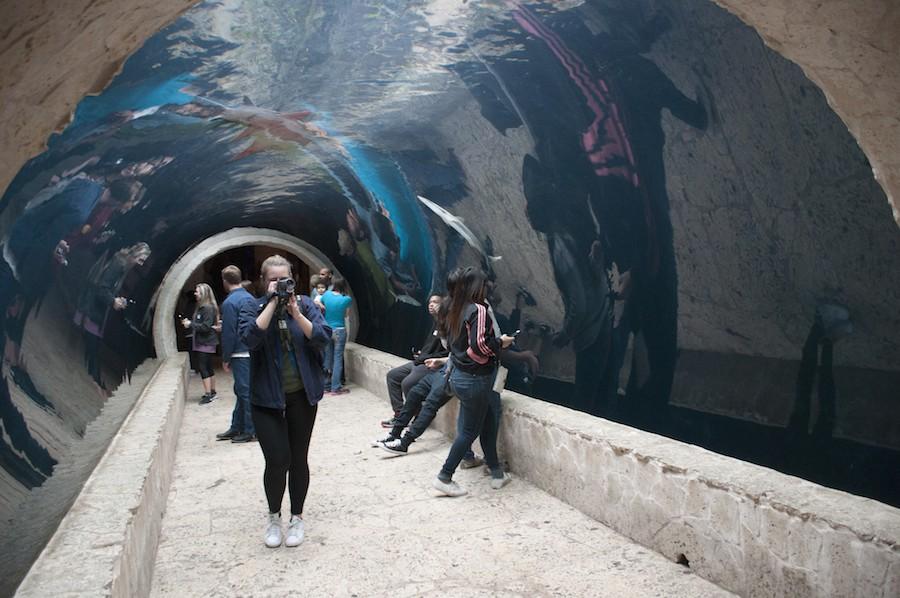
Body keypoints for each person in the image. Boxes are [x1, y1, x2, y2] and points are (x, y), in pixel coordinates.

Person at [239, 254, 331, 548]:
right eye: (273, 280)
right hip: (266, 398)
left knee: (298, 459)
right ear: (264, 282)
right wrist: (269, 304)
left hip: (302, 396)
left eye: (285, 279)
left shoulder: (304, 305)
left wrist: (296, 313)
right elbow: (250, 339)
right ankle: (273, 517)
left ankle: (297, 517)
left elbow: (322, 337)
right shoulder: (251, 308)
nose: (280, 285)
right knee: (278, 460)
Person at [432, 267, 514, 497]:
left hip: (460, 376)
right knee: (469, 432)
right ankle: (444, 476)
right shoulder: (478, 309)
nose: (488, 286)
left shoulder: (454, 308)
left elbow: (453, 344)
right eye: (485, 283)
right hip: (475, 379)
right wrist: (501, 343)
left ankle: (497, 473)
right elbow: (479, 345)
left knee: (488, 420)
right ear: (477, 286)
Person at [382, 294, 448, 426]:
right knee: (393, 376)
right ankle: (400, 414)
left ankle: (419, 417)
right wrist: (421, 354)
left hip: (432, 364)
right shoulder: (434, 322)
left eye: (435, 302)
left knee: (407, 383)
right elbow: (430, 347)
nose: (431, 305)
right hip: (421, 361)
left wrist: (427, 357)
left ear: (444, 304)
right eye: (430, 302)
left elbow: (449, 352)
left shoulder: (448, 324)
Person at [216, 265, 257, 443]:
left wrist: (225, 357)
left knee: (244, 391)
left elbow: (229, 332)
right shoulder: (249, 298)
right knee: (241, 391)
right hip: (250, 350)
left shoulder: (229, 303)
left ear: (225, 281)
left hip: (239, 353)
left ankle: (250, 429)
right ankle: (237, 425)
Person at [182, 283, 220, 403]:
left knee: (204, 367)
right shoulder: (203, 307)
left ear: (203, 294)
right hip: (204, 341)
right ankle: (212, 391)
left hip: (206, 342)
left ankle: (208, 394)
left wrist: (190, 324)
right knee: (208, 367)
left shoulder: (207, 308)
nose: (195, 293)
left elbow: (206, 327)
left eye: (197, 291)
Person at [320, 276, 353, 395]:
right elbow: (346, 314)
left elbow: (318, 301)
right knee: (338, 358)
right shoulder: (346, 299)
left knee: (328, 357)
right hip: (339, 330)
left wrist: (323, 306)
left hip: (327, 329)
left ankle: (326, 385)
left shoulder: (327, 295)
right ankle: (336, 387)